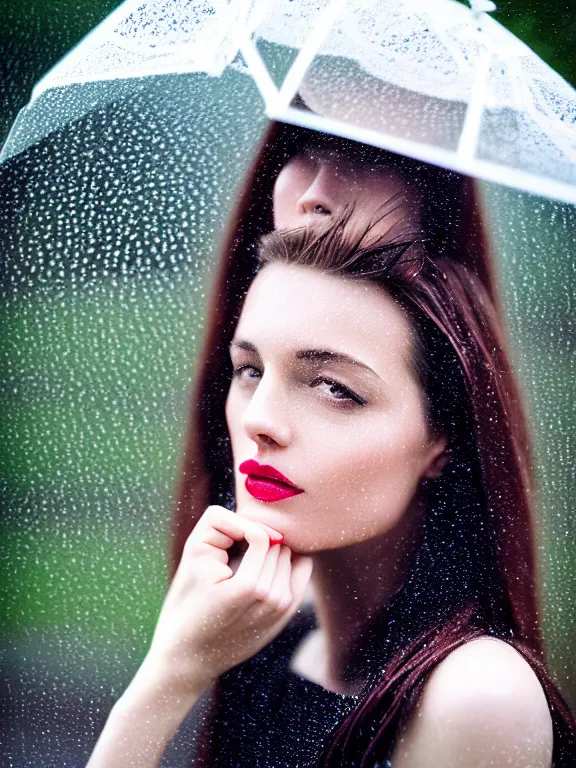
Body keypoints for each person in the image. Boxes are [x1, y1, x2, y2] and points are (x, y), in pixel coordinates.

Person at [87, 126, 576, 766]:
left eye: (335, 389)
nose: (261, 421)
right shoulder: (260, 622)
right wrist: (169, 673)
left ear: (442, 438)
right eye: (250, 370)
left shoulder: (477, 696)